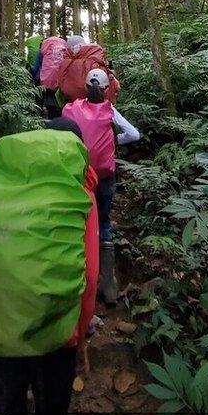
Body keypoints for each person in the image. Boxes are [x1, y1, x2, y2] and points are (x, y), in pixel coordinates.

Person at [0, 120, 98, 415]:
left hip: (0, 320)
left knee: (5, 413)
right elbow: (91, 272)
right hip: (58, 329)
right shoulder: (78, 193)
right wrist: (80, 328)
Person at [62, 69, 140, 305]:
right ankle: (108, 285)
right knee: (104, 223)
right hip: (105, 175)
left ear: (84, 87)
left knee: (78, 223)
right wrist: (117, 140)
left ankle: (78, 283)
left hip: (80, 175)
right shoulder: (110, 110)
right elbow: (134, 134)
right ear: (107, 90)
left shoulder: (70, 109)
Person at [32, 35, 68, 119]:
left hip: (46, 82)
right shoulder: (64, 51)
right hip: (61, 83)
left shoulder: (42, 51)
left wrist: (35, 78)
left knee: (49, 104)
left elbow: (36, 67)